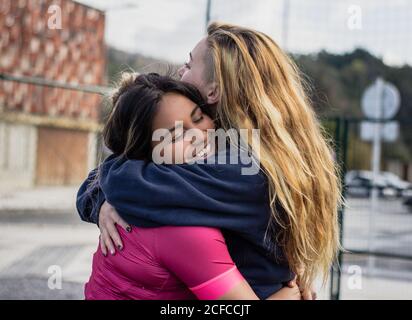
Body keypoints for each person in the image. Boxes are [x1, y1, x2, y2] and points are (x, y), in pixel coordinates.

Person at [78, 22, 342, 299]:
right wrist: (102, 201)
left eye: (189, 64)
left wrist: (107, 197)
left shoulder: (242, 170)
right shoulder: (245, 147)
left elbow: (129, 184)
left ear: (214, 91)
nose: (181, 71)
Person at [84, 73, 301, 300]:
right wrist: (290, 294)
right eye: (177, 136)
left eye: (198, 118)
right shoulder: (182, 226)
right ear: (145, 153)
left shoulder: (142, 191)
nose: (199, 137)